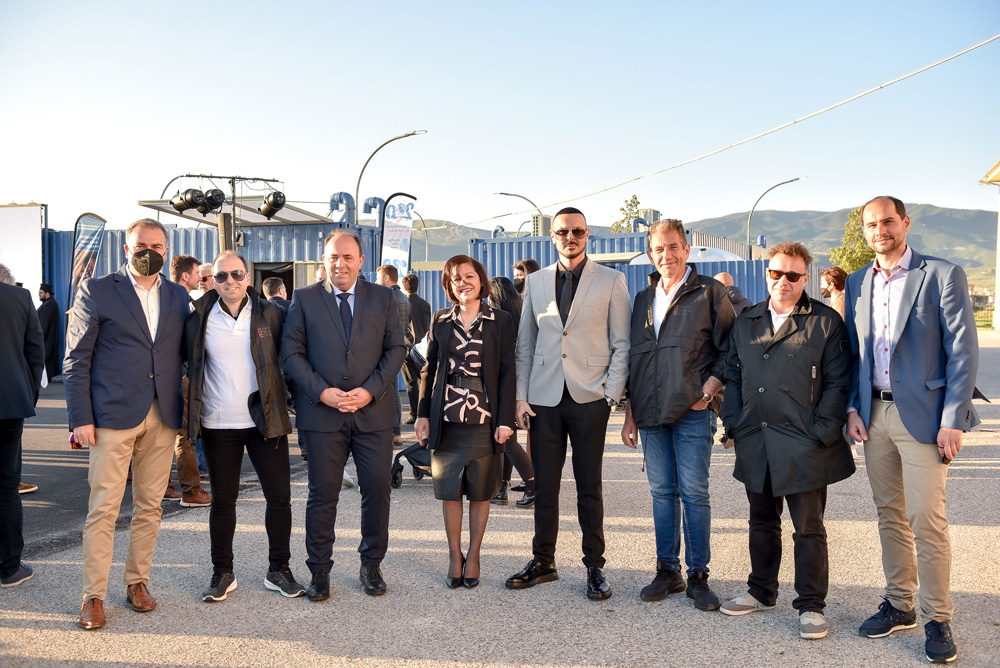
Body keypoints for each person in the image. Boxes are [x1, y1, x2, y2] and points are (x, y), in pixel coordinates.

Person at [845, 196, 978, 664]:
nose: (879, 230)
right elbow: (853, 353)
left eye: (887, 222)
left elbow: (962, 351)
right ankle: (900, 603)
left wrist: (952, 419)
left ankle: (937, 617)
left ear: (905, 223)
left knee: (926, 518)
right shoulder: (857, 281)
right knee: (889, 514)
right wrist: (851, 407)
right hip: (873, 415)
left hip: (924, 417)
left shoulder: (941, 274)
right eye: (870, 224)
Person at [718, 241, 854, 640]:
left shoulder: (825, 322)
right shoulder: (746, 321)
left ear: (805, 278)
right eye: (777, 273)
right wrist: (734, 422)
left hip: (804, 443)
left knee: (808, 527)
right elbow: (732, 375)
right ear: (767, 274)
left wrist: (820, 432)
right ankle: (761, 591)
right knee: (761, 521)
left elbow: (838, 383)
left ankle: (811, 605)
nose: (784, 281)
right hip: (755, 437)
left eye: (793, 275)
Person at [64, 219, 190, 630]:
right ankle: (93, 596)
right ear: (126, 248)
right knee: (104, 508)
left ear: (167, 251)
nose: (148, 252)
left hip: (162, 415)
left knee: (150, 506)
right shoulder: (97, 290)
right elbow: (76, 359)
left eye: (156, 246)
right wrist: (81, 418)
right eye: (140, 245)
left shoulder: (177, 294)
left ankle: (138, 582)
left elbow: (182, 352)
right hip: (111, 417)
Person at [506, 207, 630, 601]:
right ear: (553, 236)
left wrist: (610, 394)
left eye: (577, 231)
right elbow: (525, 344)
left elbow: (622, 343)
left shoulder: (611, 280)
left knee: (589, 486)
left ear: (587, 234)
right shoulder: (536, 281)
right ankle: (544, 561)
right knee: (545, 486)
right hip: (543, 399)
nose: (570, 237)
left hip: (590, 398)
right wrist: (521, 397)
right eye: (563, 232)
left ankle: (594, 566)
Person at [281, 228, 405, 599]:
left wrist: (369, 391)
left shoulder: (383, 297)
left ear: (361, 261)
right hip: (323, 415)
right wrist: (322, 391)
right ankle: (319, 571)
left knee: (377, 491)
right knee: (322, 495)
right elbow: (291, 353)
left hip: (373, 413)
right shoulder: (304, 299)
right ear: (324, 260)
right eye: (333, 257)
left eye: (348, 257)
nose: (340, 264)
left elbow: (396, 349)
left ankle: (371, 565)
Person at [621, 220, 735, 611]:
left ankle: (698, 576)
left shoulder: (709, 292)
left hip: (691, 412)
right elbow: (637, 360)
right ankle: (667, 571)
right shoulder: (642, 298)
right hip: (650, 413)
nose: (666, 255)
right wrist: (630, 414)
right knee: (662, 493)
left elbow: (730, 350)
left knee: (694, 493)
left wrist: (707, 392)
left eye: (673, 247)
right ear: (649, 254)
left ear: (686, 249)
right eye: (658, 249)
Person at [185, 251, 304, 602]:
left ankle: (278, 569)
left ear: (248, 277)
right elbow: (184, 363)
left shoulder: (271, 313)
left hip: (265, 420)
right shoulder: (198, 317)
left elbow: (291, 360)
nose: (230, 281)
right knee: (223, 501)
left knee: (279, 498)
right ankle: (222, 572)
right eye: (221, 276)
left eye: (236, 274)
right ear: (212, 281)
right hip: (218, 423)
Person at [415, 256, 515, 589]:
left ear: (480, 280)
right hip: (446, 418)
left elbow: (507, 372)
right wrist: (422, 414)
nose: (463, 283)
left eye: (469, 276)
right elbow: (429, 369)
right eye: (455, 278)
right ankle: (453, 555)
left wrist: (505, 420)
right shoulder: (441, 319)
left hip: (485, 418)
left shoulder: (500, 320)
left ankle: (473, 555)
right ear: (449, 285)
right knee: (450, 491)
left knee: (480, 491)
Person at [0, 265, 44, 587]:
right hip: (8, 404)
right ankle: (9, 568)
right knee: (6, 486)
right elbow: (35, 353)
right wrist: (28, 395)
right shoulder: (19, 298)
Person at [165, 254, 211, 508]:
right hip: (180, 378)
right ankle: (191, 491)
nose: (200, 278)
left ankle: (161, 486)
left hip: (165, 378)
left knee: (163, 435)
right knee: (186, 436)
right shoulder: (181, 302)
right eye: (196, 274)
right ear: (185, 276)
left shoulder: (162, 299)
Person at [487, 276, 535, 508]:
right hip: (519, 383)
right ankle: (501, 488)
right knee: (506, 438)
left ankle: (534, 486)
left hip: (504, 385)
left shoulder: (497, 318)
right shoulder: (520, 314)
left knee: (508, 442)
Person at [375, 265, 411, 447]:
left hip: (387, 350)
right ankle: (395, 432)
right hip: (398, 348)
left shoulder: (387, 297)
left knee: (389, 392)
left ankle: (394, 431)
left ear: (387, 278)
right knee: (394, 391)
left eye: (378, 278)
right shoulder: (404, 298)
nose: (376, 282)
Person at [401, 273, 431, 425]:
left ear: (404, 287)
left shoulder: (403, 304)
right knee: (424, 381)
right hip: (424, 349)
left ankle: (414, 414)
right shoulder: (425, 305)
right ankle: (427, 412)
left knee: (411, 383)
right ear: (417, 286)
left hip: (407, 349)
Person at [37, 283, 61, 382]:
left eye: (41, 292)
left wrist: (38, 339)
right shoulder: (50, 304)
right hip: (49, 341)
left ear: (47, 293)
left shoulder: (49, 305)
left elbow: (44, 325)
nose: (39, 294)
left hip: (47, 341)